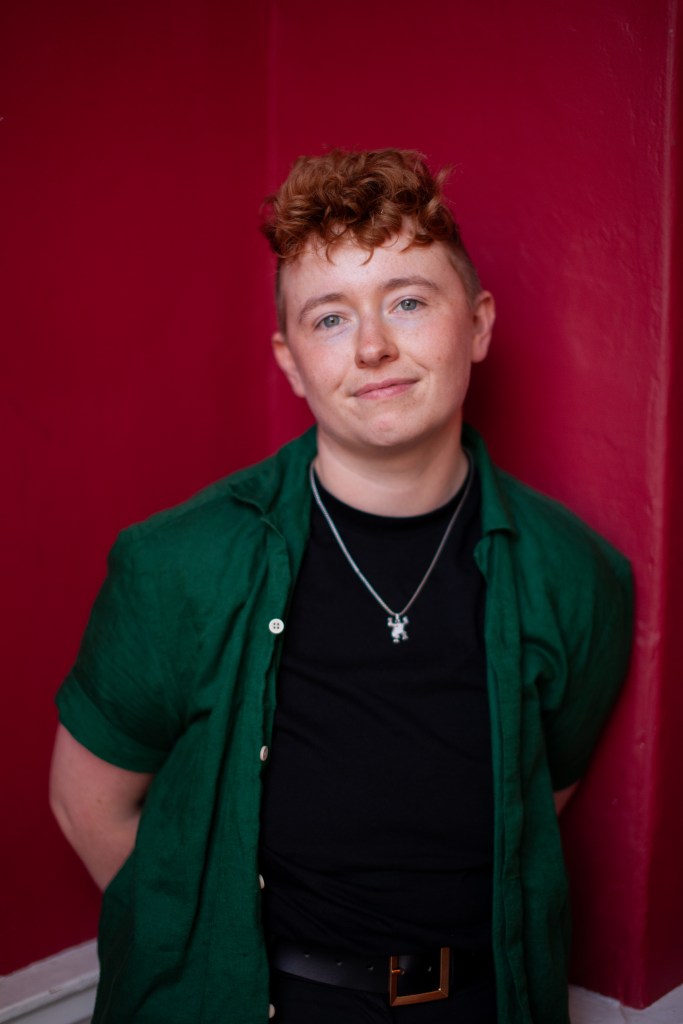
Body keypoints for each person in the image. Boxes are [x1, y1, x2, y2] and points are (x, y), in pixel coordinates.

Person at [50, 148, 633, 1024]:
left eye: (406, 300)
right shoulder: (176, 564)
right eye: (330, 318)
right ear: (290, 362)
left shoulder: (574, 576)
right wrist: (204, 949)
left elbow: (538, 796)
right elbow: (87, 802)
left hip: (484, 1001)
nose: (371, 346)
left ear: (475, 325)